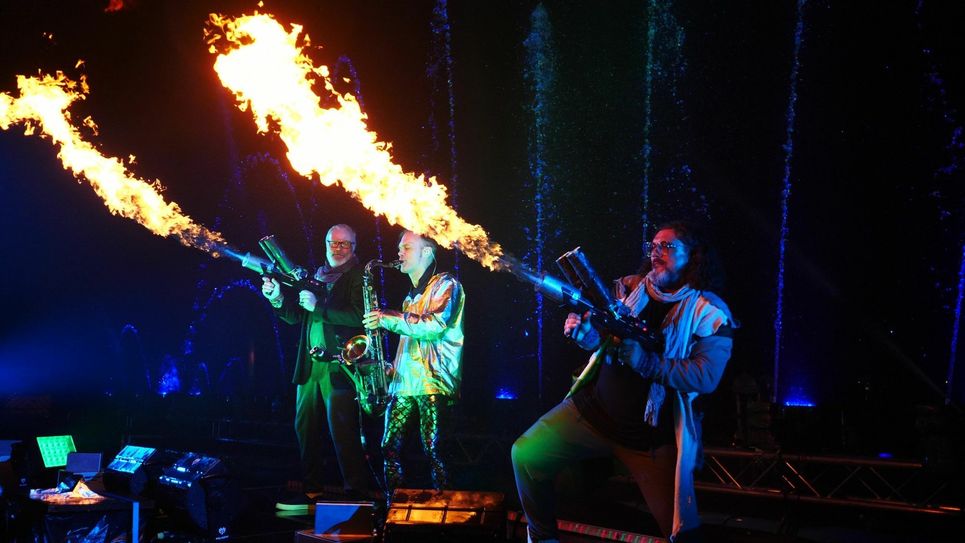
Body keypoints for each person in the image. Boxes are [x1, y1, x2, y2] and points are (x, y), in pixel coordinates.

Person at [511, 221, 736, 542]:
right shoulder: (628, 290)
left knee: (681, 532)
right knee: (525, 454)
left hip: (647, 438)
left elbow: (706, 376)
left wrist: (647, 362)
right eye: (654, 246)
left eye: (668, 246)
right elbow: (599, 342)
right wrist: (585, 334)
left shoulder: (708, 311)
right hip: (593, 412)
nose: (657, 252)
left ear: (694, 256)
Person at [262, 224, 372, 510]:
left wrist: (318, 306)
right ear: (324, 244)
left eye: (344, 244)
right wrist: (276, 297)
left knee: (343, 432)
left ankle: (355, 494)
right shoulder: (316, 276)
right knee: (305, 429)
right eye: (332, 243)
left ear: (354, 246)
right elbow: (295, 316)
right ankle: (311, 492)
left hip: (339, 368)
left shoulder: (360, 276)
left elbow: (359, 316)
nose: (337, 248)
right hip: (311, 367)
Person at [362, 230, 465, 494]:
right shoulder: (410, 298)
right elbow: (410, 342)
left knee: (434, 449)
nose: (399, 253)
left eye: (406, 247)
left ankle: (448, 511)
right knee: (388, 448)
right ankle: (394, 507)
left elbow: (435, 325)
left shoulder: (447, 284)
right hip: (404, 384)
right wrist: (391, 369)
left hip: (433, 382)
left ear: (427, 252)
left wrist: (386, 317)